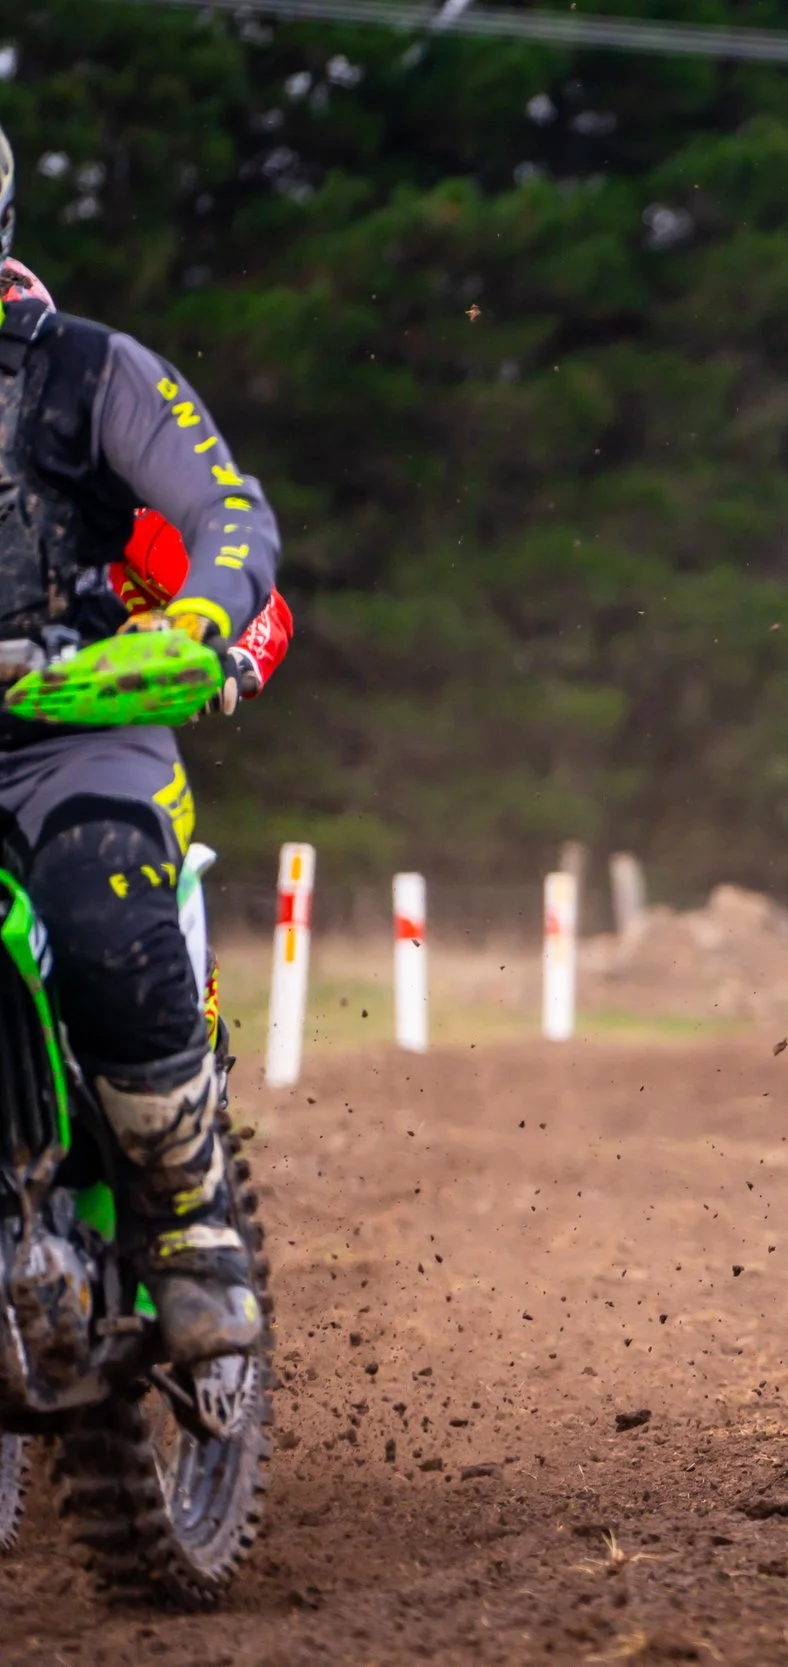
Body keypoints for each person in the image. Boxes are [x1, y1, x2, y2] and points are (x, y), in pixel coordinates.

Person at [0, 125, 284, 1361]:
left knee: (103, 901)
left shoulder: (86, 371)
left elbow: (225, 512)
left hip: (73, 729)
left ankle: (185, 1218)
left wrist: (209, 625)